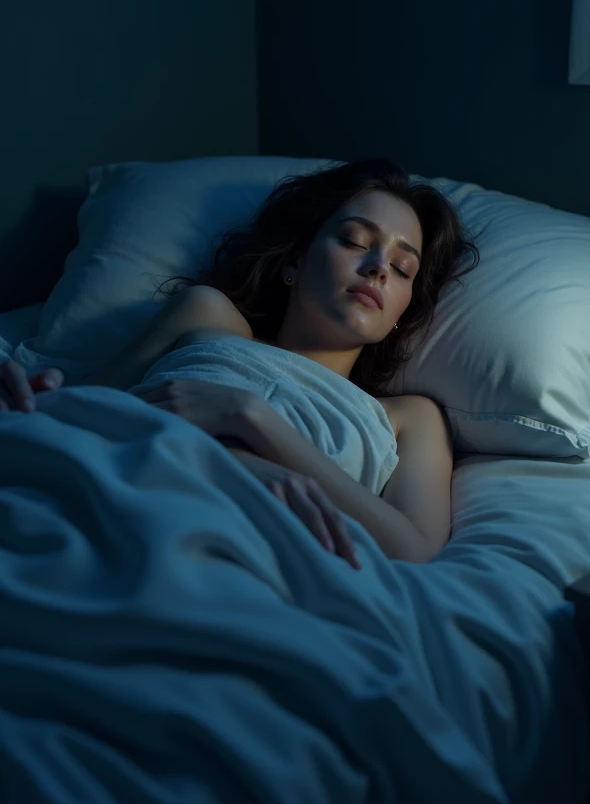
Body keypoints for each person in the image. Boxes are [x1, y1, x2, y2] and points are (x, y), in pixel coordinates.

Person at [0, 158, 480, 567]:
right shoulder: (207, 314)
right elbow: (87, 409)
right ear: (294, 262)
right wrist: (25, 397)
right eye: (355, 241)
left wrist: (252, 421)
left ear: (402, 311)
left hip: (243, 553)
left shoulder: (408, 418)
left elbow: (413, 549)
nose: (378, 267)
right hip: (107, 495)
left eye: (401, 269)